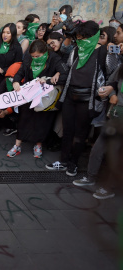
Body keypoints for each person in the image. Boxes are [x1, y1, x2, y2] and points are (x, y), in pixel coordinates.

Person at [46, 21, 119, 176]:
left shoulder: (105, 52)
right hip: (70, 96)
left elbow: (114, 74)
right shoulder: (77, 50)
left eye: (83, 38)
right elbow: (68, 66)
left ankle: (73, 164)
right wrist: (59, 72)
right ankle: (64, 160)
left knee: (81, 133)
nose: (80, 41)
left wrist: (109, 89)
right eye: (78, 38)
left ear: (93, 37)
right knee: (67, 131)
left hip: (88, 99)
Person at [5, 40, 68, 158]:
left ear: (45, 53)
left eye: (38, 56)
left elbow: (65, 75)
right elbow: (21, 71)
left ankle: (38, 144)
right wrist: (16, 82)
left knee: (42, 120)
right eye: (33, 56)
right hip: (29, 93)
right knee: (24, 118)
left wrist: (50, 80)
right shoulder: (28, 57)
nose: (35, 58)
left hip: (45, 96)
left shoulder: (54, 58)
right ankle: (17, 145)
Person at [72, 64, 122, 199]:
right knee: (98, 148)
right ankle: (90, 177)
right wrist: (112, 93)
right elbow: (112, 82)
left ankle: (109, 188)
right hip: (116, 116)